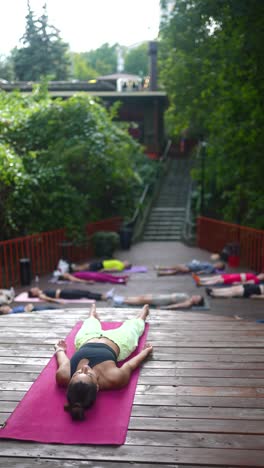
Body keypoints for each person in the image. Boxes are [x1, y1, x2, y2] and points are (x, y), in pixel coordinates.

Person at [54, 303, 152, 421]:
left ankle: (93, 315)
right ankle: (142, 315)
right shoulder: (114, 379)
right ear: (97, 386)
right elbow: (130, 365)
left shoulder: (63, 376)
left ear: (70, 382)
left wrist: (60, 350)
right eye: (89, 374)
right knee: (133, 327)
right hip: (119, 342)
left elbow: (63, 360)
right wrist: (145, 352)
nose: (84, 367)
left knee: (90, 322)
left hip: (86, 339)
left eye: (77, 373)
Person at [112, 292, 204, 309]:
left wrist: (165, 307)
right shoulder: (188, 297)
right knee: (142, 297)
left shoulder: (188, 303)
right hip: (163, 296)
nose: (195, 297)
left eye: (197, 298)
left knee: (142, 300)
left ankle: (122, 301)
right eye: (197, 296)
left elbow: (176, 306)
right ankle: (123, 298)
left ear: (196, 303)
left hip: (163, 300)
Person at [28, 287, 114, 303]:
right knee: (84, 294)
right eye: (33, 290)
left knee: (85, 292)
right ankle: (103, 297)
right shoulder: (41, 295)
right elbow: (48, 299)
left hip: (64, 291)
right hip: (65, 295)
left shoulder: (41, 291)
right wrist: (58, 301)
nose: (35, 288)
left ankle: (103, 295)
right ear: (33, 293)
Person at [155, 259, 225, 276]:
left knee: (174, 268)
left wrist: (196, 273)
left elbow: (204, 271)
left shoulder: (212, 268)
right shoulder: (211, 265)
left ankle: (160, 269)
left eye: (220, 264)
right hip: (190, 265)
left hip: (191, 268)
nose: (218, 263)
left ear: (219, 267)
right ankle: (161, 272)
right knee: (175, 269)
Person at [57, 258, 132, 274]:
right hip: (101, 263)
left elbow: (112, 269)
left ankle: (72, 269)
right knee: (86, 265)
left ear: (126, 266)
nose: (125, 261)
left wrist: (103, 270)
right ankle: (73, 267)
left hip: (101, 266)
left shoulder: (120, 267)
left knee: (87, 266)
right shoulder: (120, 263)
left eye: (127, 262)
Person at [53, 270, 129, 285]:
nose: (65, 273)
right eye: (64, 274)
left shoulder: (70, 274)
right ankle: (120, 281)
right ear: (64, 277)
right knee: (107, 279)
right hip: (92, 277)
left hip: (91, 274)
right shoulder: (70, 277)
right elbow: (78, 280)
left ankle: (121, 277)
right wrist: (87, 282)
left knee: (107, 276)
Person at [192, 272, 264, 287]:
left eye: (263, 275)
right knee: (217, 277)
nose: (261, 275)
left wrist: (238, 283)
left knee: (218, 280)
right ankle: (200, 278)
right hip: (234, 275)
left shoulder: (256, 280)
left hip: (237, 279)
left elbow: (247, 283)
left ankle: (202, 284)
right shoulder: (254, 274)